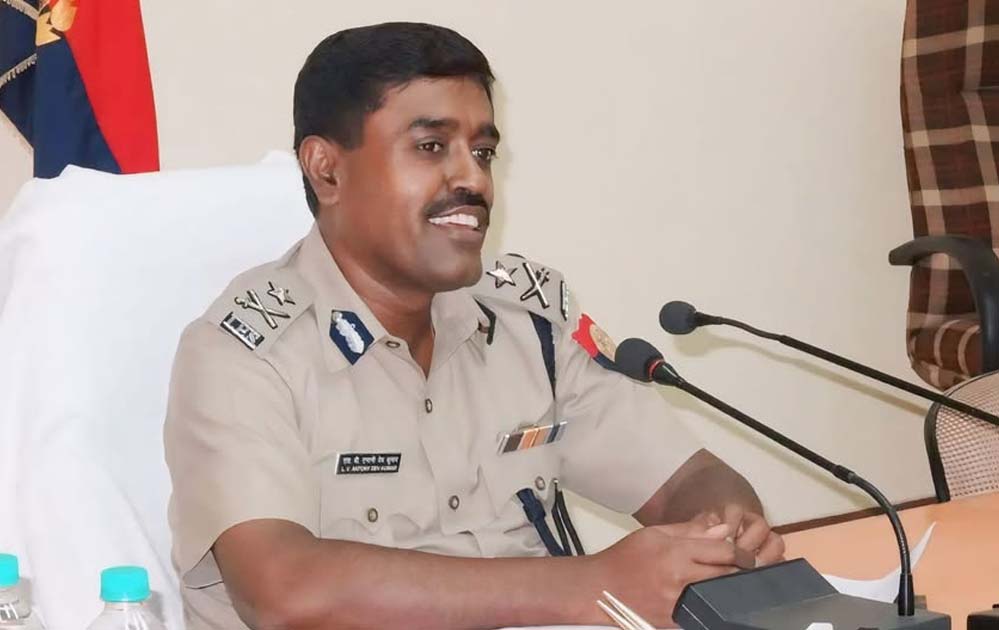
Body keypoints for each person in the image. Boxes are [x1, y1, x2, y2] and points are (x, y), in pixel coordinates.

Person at [164, 21, 784, 630]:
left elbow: (685, 479)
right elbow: (284, 592)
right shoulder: (242, 356)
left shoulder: (528, 328)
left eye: (482, 152)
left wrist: (722, 526)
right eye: (431, 147)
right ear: (327, 169)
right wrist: (593, 584)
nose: (474, 179)